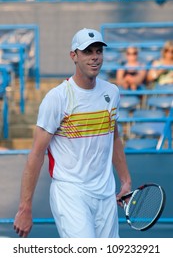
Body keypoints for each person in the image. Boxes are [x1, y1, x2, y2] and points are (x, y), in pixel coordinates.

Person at [13, 28, 131, 238]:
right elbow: (36, 155)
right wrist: (25, 208)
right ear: (73, 56)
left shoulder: (111, 92)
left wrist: (126, 181)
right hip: (70, 193)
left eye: (98, 51)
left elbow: (114, 138)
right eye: (87, 52)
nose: (95, 57)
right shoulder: (57, 98)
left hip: (105, 194)